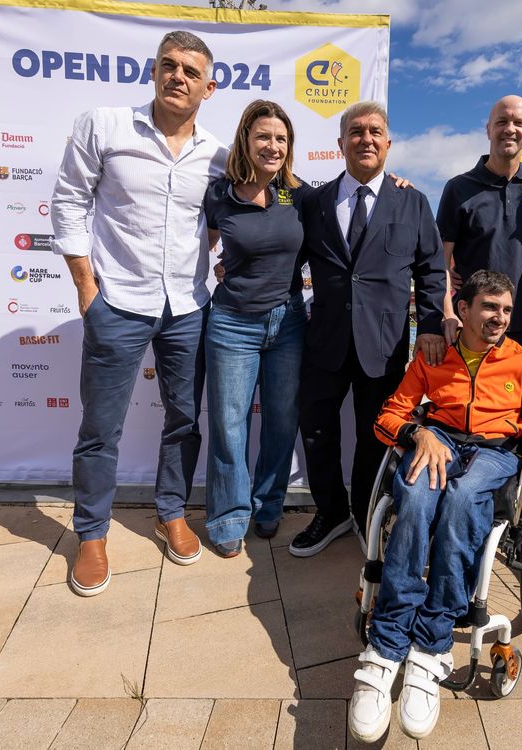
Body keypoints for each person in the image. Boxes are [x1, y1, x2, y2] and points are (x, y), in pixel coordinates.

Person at [349, 270, 522, 742]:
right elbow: (389, 416)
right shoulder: (434, 355)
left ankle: (431, 646)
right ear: (464, 309)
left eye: (507, 310)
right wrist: (418, 432)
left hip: (494, 453)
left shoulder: (520, 363)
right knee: (411, 494)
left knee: (461, 500)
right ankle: (388, 644)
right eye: (490, 307)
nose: (499, 318)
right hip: (442, 440)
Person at [51, 31, 226, 597]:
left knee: (183, 420)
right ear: (154, 71)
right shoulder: (104, 126)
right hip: (118, 301)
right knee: (101, 427)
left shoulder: (218, 155)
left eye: (190, 71)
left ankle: (171, 511)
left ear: (208, 87)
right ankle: (92, 532)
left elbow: (269, 194)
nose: (178, 77)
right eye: (168, 66)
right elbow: (69, 200)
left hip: (188, 307)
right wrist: (84, 283)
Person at [289, 101, 448, 557]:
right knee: (316, 429)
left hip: (384, 345)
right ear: (340, 144)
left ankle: (364, 512)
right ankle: (331, 511)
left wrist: (433, 325)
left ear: (389, 143)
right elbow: (286, 253)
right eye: (355, 132)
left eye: (375, 131)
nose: (366, 139)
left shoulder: (412, 200)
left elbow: (432, 271)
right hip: (325, 342)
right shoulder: (313, 202)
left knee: (375, 434)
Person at [201, 100, 308, 558]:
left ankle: (268, 506)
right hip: (231, 324)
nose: (273, 146)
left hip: (287, 323)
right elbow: (194, 253)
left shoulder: (299, 195)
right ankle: (228, 516)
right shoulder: (219, 195)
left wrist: (398, 183)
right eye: (264, 136)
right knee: (229, 425)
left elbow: (352, 202)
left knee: (282, 423)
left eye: (281, 139)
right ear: (246, 139)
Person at [437, 95, 522, 351]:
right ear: (489, 129)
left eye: (519, 123)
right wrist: (448, 313)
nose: (510, 129)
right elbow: (441, 261)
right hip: (471, 330)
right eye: (501, 121)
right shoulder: (458, 188)